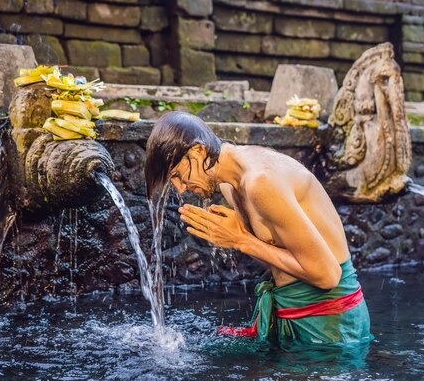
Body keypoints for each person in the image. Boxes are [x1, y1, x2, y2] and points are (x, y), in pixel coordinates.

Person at [144, 111, 372, 346]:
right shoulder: (230, 185)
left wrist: (241, 240)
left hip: (331, 325)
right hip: (293, 312)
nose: (181, 189)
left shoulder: (260, 182)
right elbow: (279, 255)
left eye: (178, 176)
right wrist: (235, 237)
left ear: (198, 151)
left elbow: (328, 276)